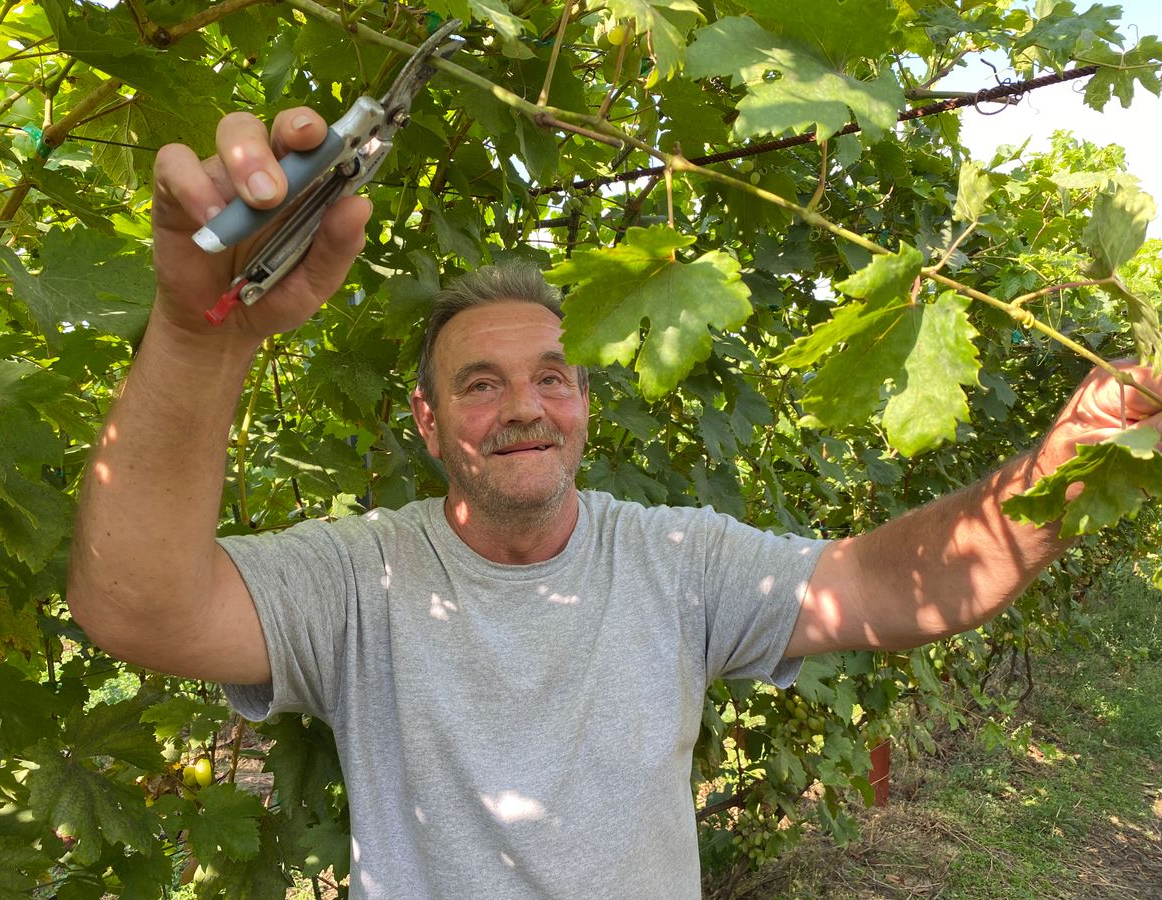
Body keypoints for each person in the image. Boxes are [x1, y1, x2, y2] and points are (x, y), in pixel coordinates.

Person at [66, 107, 1162, 899]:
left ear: (585, 403)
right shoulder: (361, 577)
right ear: (428, 421)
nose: (525, 407)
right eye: (480, 385)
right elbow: (137, 606)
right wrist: (200, 327)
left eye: (552, 376)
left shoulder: (676, 560)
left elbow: (884, 586)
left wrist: (1071, 454)